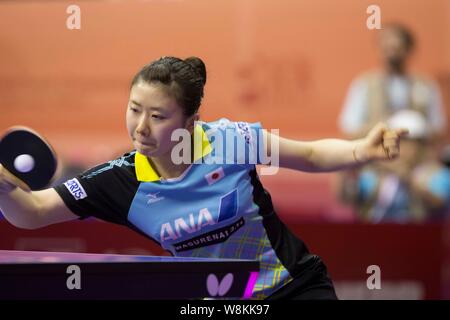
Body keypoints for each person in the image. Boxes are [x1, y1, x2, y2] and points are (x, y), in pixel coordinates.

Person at [0, 56, 407, 300]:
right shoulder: (120, 180)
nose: (141, 127)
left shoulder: (232, 141)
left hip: (293, 287)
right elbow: (31, 212)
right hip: (215, 301)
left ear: (191, 121)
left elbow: (313, 155)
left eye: (158, 116)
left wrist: (361, 150)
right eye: (134, 108)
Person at [338, 23, 446, 140]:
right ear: (379, 49)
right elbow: (349, 128)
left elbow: (438, 127)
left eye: (397, 48)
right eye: (387, 48)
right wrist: (387, 125)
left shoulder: (426, 84)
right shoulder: (364, 84)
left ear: (409, 49)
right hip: (376, 155)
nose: (392, 53)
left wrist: (420, 127)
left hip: (417, 154)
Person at [340, 110, 450, 223]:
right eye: (397, 142)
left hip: (422, 237)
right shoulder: (375, 174)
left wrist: (408, 178)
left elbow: (440, 204)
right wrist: (351, 164)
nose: (400, 147)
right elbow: (348, 197)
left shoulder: (438, 174)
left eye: (408, 142)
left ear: (421, 146)